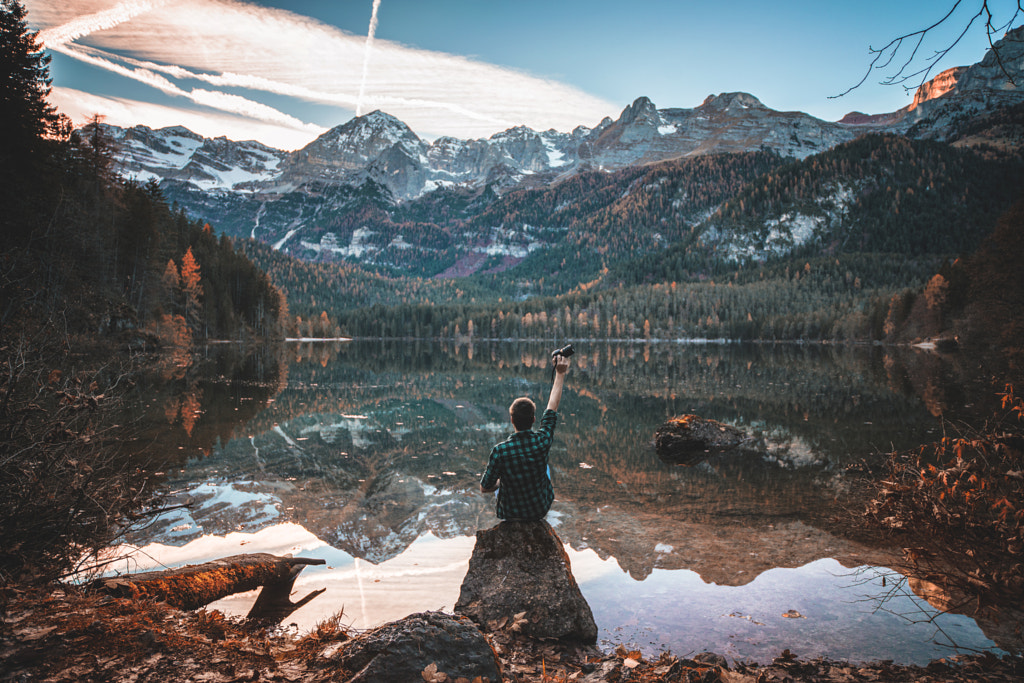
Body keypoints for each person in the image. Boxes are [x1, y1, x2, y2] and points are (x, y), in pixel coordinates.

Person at [480, 353, 571, 520]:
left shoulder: (500, 451)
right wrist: (560, 373)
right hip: (539, 510)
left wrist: (501, 481)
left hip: (510, 514)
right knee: (545, 468)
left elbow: (485, 488)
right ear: (534, 419)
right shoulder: (542, 440)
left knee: (502, 475)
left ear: (512, 420)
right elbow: (552, 407)